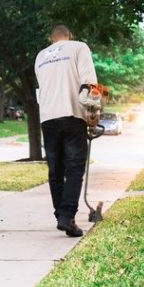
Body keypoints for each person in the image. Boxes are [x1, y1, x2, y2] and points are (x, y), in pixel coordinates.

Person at [35, 25, 99, 238]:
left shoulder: (40, 56)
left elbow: (41, 90)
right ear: (70, 36)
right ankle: (67, 217)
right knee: (74, 167)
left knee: (56, 170)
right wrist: (93, 113)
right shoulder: (79, 47)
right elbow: (90, 83)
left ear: (50, 38)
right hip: (72, 114)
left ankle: (61, 216)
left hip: (47, 118)